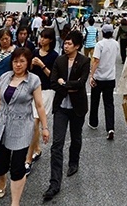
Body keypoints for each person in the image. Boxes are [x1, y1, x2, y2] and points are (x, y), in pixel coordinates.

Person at [0, 47, 49, 205]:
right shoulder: (4, 77)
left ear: (28, 63)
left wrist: (44, 127)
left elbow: (39, 105)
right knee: (1, 162)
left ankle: (15, 202)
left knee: (17, 166)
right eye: (15, 61)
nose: (18, 65)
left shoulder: (33, 80)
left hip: (22, 126)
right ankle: (2, 177)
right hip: (2, 124)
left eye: (22, 61)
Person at [44, 32, 90, 202]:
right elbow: (53, 82)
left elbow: (80, 84)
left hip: (78, 107)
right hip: (61, 107)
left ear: (77, 46)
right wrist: (65, 85)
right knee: (57, 144)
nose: (66, 46)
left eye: (69, 44)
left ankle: (73, 162)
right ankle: (54, 183)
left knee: (76, 138)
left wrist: (65, 83)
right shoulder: (59, 60)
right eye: (65, 43)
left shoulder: (84, 61)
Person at [26, 28, 58, 175]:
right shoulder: (34, 52)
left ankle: (28, 160)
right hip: (32, 90)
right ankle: (37, 149)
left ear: (50, 40)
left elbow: (53, 77)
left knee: (35, 121)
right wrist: (31, 64)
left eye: (45, 37)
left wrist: (42, 65)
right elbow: (28, 71)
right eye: (41, 37)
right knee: (32, 122)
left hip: (46, 91)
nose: (42, 39)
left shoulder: (54, 56)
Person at [89, 24, 120, 140]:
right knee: (109, 103)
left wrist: (91, 75)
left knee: (95, 100)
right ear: (112, 33)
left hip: (99, 77)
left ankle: (93, 122)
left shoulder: (100, 44)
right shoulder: (115, 44)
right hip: (110, 77)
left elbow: (96, 60)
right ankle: (110, 127)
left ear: (102, 32)